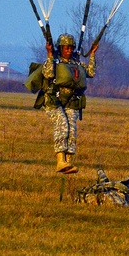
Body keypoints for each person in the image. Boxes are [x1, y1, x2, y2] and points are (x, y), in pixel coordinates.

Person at [40, 33, 95, 174]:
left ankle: (68, 163)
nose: (69, 51)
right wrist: (49, 53)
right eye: (66, 48)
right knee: (62, 124)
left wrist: (93, 54)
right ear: (61, 48)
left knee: (72, 129)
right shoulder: (55, 62)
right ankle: (60, 160)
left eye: (71, 48)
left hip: (71, 101)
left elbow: (90, 72)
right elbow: (47, 74)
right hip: (54, 100)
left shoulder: (76, 64)